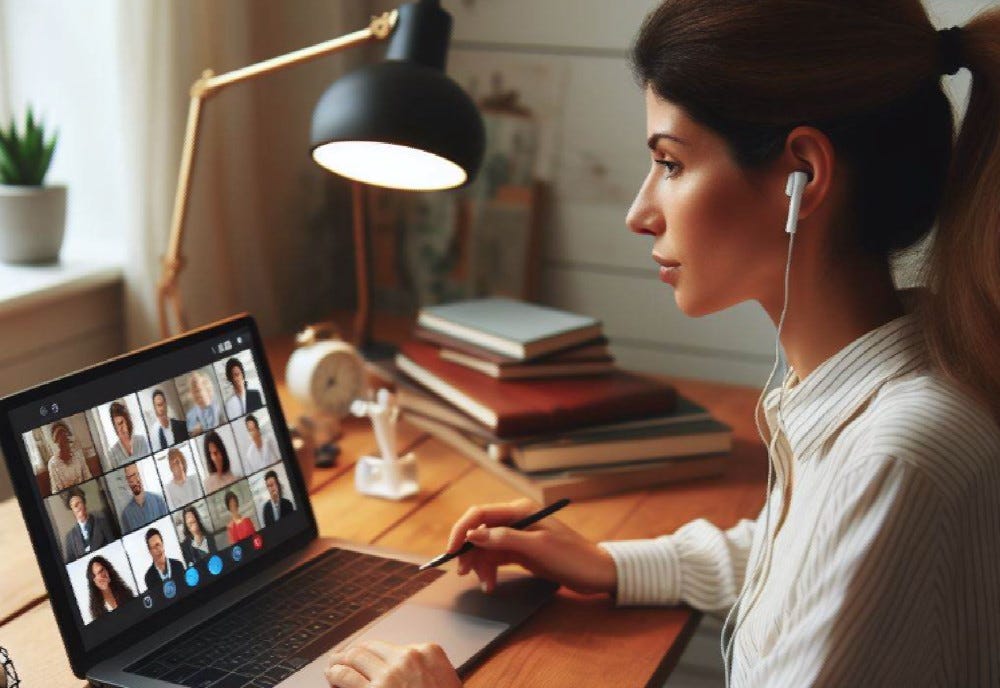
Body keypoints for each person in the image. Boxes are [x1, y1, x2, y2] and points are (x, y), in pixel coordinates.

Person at [325, 3, 1000, 687]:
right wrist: (609, 563)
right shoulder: (872, 386)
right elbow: (792, 560)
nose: (639, 214)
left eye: (671, 164)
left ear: (804, 175)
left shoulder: (895, 455)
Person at [62, 486, 115, 563]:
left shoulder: (102, 523)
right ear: (72, 510)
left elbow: (113, 547)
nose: (79, 508)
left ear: (84, 504)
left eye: (80, 503)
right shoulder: (70, 538)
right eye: (75, 506)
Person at [119, 463, 168, 533]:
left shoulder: (159, 501)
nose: (133, 481)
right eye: (129, 478)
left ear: (140, 475)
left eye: (134, 475)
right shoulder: (125, 515)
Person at [46, 420, 92, 494]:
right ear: (56, 442)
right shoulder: (52, 463)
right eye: (59, 439)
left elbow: (88, 477)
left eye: (65, 438)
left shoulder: (78, 456)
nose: (63, 442)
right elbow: (55, 490)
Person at [86, 555, 135, 620]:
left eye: (101, 570)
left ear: (108, 570)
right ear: (93, 581)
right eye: (96, 575)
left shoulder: (125, 592)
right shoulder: (96, 609)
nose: (101, 576)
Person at [106, 401, 151, 468]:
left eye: (121, 423)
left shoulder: (141, 440)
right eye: (116, 425)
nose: (120, 428)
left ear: (127, 421)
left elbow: (148, 466)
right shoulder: (112, 454)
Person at [142, 528, 185, 596]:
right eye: (153, 547)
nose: (157, 549)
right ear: (150, 552)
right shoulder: (149, 577)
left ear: (162, 544)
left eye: (158, 544)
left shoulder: (178, 566)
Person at [185, 371, 222, 436]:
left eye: (198, 390)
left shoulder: (218, 408)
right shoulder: (190, 415)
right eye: (193, 392)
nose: (196, 395)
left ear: (207, 388)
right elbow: (191, 434)